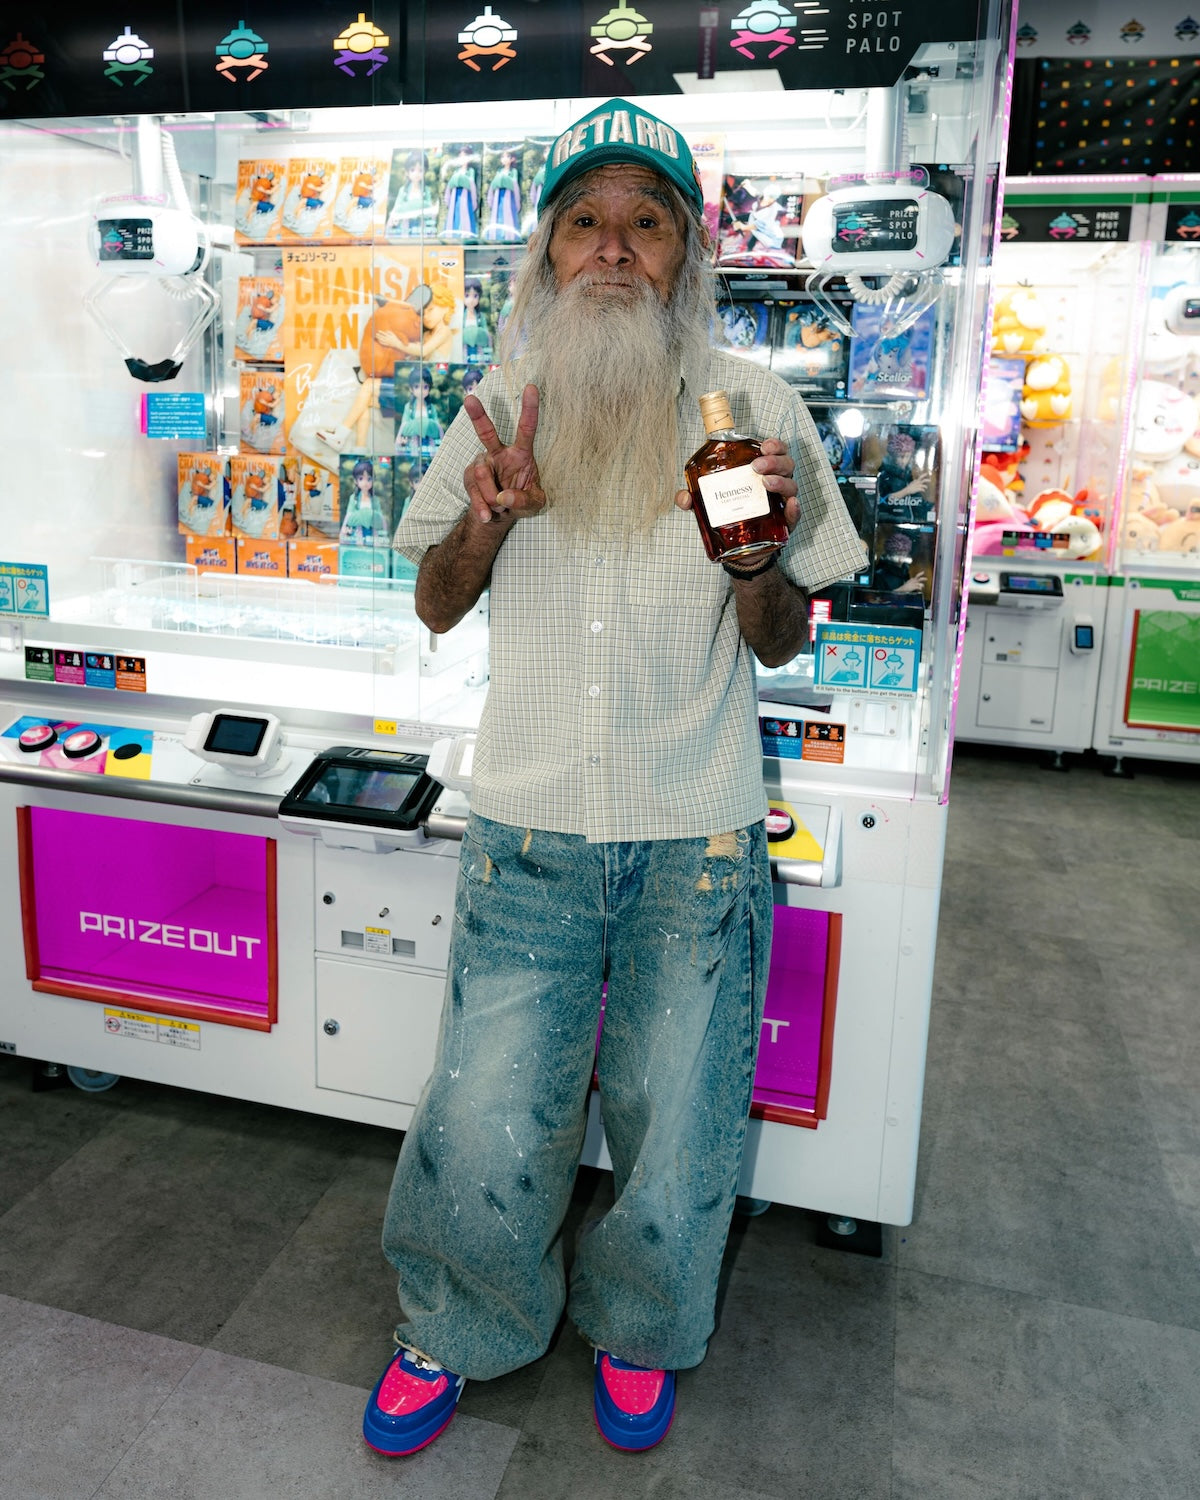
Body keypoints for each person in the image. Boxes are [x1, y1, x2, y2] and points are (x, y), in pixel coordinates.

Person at [364, 97, 864, 1460]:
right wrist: (484, 518)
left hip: (696, 829)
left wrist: (751, 564)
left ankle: (641, 1326)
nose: (613, 249)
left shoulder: (751, 410)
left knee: (679, 1115)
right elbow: (435, 604)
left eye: (647, 222)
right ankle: (458, 1321)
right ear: (547, 247)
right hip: (529, 819)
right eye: (585, 220)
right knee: (484, 1104)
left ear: (687, 250)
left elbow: (783, 634)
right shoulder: (497, 407)